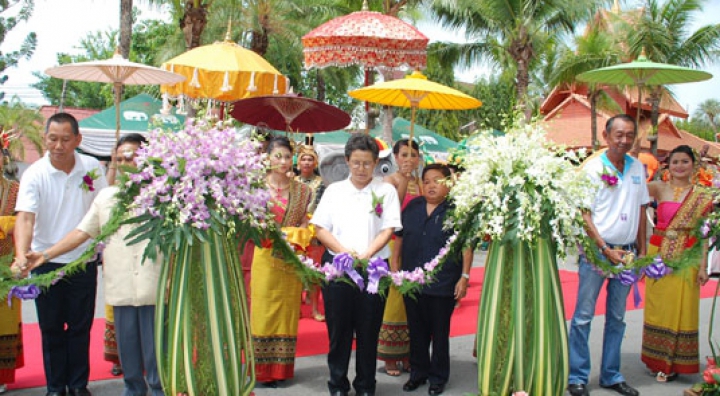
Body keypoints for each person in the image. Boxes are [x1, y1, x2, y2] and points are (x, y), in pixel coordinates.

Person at [24, 133, 164, 396]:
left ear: (148, 159)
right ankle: (133, 391)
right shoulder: (107, 197)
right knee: (129, 357)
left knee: (156, 356)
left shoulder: (165, 197)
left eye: (131, 157)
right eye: (119, 159)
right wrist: (45, 255)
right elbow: (81, 232)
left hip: (154, 286)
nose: (125, 164)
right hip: (121, 287)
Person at [12, 113, 108, 396]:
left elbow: (101, 209)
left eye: (66, 139)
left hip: (82, 261)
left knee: (80, 327)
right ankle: (55, 387)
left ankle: (78, 385)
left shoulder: (91, 168)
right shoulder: (35, 173)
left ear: (77, 140)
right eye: (53, 139)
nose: (58, 146)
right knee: (51, 328)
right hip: (45, 263)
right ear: (45, 139)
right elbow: (25, 218)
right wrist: (22, 255)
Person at [311, 133, 402, 396]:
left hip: (373, 268)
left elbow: (388, 229)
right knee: (339, 329)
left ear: (375, 163)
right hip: (338, 266)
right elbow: (320, 228)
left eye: (367, 163)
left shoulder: (385, 191)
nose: (361, 169)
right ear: (347, 161)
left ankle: (365, 385)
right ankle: (337, 384)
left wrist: (366, 254)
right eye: (356, 163)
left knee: (368, 329)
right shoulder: (334, 191)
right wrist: (343, 253)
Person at [567, 114, 649, 396]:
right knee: (583, 316)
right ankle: (577, 376)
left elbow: (641, 210)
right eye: (619, 135)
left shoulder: (638, 167)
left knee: (617, 317)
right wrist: (603, 248)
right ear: (606, 135)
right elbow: (583, 213)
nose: (624, 140)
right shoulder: (591, 168)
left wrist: (643, 253)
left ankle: (611, 375)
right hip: (597, 253)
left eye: (629, 135)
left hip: (627, 254)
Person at [396, 163, 472, 396]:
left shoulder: (457, 211)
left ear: (448, 183)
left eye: (437, 180)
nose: (430, 186)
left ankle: (438, 377)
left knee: (439, 332)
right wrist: (395, 267)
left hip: (442, 282)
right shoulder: (413, 207)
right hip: (411, 279)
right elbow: (399, 238)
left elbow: (466, 245)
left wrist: (464, 277)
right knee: (416, 330)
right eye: (426, 181)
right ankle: (418, 373)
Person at [642, 145, 713, 382]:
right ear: (668, 165)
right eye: (675, 162)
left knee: (682, 309)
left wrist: (703, 267)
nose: (679, 166)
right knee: (658, 307)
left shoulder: (702, 195)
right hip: (658, 254)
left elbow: (704, 233)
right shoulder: (658, 188)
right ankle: (656, 359)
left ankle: (674, 363)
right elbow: (628, 191)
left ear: (693, 165)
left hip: (687, 257)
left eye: (684, 161)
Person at [251, 136, 313, 386]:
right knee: (263, 311)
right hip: (264, 257)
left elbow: (307, 222)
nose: (284, 161)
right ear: (267, 158)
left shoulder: (303, 190)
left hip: (290, 258)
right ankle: (261, 370)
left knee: (287, 313)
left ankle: (281, 370)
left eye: (288, 156)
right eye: (278, 156)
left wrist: (298, 231)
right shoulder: (254, 187)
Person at [378, 139, 422, 376]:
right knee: (395, 300)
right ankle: (390, 358)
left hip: (417, 245)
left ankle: (408, 355)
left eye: (413, 155)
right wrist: (403, 179)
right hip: (396, 243)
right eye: (404, 154)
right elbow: (393, 211)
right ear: (395, 157)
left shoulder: (423, 182)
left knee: (414, 303)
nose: (409, 159)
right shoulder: (390, 180)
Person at [0, 142, 23, 394]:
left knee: (4, 321)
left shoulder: (16, 189)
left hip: (5, 265)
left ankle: (2, 374)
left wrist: (7, 223)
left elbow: (26, 220)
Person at [295, 143, 326, 321]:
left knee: (315, 272)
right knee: (297, 270)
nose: (307, 162)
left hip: (314, 230)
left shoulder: (321, 184)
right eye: (304, 159)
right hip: (297, 231)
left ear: (315, 163)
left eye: (310, 159)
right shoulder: (292, 182)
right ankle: (296, 306)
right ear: (298, 163)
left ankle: (314, 308)